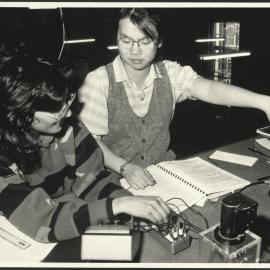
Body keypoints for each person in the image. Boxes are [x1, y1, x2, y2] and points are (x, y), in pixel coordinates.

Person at [79, 8, 270, 191]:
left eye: (145, 42)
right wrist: (124, 167)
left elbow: (211, 89)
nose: (134, 51)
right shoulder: (98, 81)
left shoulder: (170, 73)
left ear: (159, 42)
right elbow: (90, 143)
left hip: (162, 176)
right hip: (111, 182)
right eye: (126, 40)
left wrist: (263, 102)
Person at [0, 46, 171, 243]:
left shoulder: (69, 128)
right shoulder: (4, 159)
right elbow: (44, 222)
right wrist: (118, 206)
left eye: (67, 101)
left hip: (66, 213)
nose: (69, 113)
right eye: (56, 109)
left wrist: (129, 202)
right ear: (22, 115)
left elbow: (92, 179)